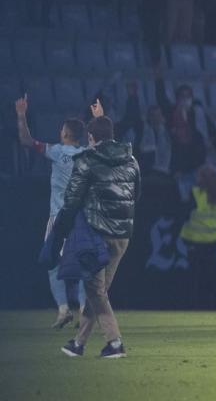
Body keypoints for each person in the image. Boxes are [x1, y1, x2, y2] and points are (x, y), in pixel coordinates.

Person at [58, 115, 141, 358]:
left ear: (91, 138)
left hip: (96, 234)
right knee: (99, 291)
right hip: (122, 234)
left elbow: (71, 201)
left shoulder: (86, 160)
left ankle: (115, 343)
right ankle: (78, 343)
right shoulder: (131, 159)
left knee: (96, 291)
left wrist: (61, 232)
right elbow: (136, 193)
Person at [15, 94, 88, 329]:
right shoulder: (89, 154)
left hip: (59, 219)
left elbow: (26, 141)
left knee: (52, 264)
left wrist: (21, 114)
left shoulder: (56, 151)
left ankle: (64, 310)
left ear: (65, 134)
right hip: (83, 219)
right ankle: (86, 310)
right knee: (86, 266)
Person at [180, 165, 216, 309]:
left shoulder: (196, 193)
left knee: (194, 276)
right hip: (213, 240)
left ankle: (193, 304)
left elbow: (185, 211)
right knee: (210, 275)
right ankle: (212, 305)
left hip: (195, 239)